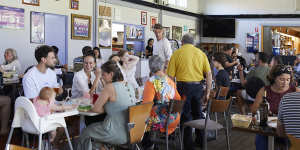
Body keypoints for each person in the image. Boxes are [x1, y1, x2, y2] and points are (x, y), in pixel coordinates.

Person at [75, 60, 136, 150]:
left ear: (111, 74)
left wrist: (104, 108)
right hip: (131, 131)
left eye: (103, 75)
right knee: (97, 127)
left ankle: (102, 147)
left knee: (86, 132)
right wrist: (108, 108)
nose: (102, 78)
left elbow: (96, 109)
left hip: (116, 132)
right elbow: (117, 106)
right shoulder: (129, 85)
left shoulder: (109, 87)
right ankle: (104, 147)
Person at [167, 33, 212, 150]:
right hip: (198, 87)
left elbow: (170, 77)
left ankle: (188, 145)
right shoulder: (201, 54)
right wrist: (207, 92)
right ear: (193, 43)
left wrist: (172, 93)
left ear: (182, 42)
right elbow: (209, 74)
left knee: (185, 116)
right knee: (198, 114)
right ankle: (201, 141)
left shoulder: (176, 54)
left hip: (183, 88)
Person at [251, 65, 300, 150]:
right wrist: (265, 112)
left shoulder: (295, 91)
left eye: (288, 79)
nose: (285, 83)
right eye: (282, 79)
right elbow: (254, 110)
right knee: (261, 143)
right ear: (274, 78)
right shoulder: (265, 90)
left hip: (287, 129)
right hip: (268, 128)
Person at [142, 56, 181, 149]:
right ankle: (152, 144)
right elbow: (178, 99)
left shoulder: (151, 81)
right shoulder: (170, 80)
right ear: (162, 66)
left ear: (150, 67)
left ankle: (149, 145)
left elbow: (146, 104)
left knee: (142, 120)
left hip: (162, 121)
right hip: (175, 118)